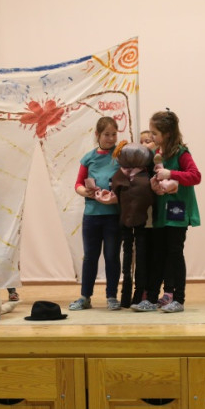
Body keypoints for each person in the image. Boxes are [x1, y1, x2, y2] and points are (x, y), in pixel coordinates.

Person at [139, 110, 201, 313]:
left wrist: (171, 173)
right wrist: (154, 184)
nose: (151, 137)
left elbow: (195, 176)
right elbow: (158, 179)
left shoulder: (182, 153)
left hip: (177, 211)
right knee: (158, 253)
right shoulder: (157, 154)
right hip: (162, 211)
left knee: (175, 253)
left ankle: (179, 299)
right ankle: (151, 298)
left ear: (166, 134)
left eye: (154, 133)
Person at [69, 116, 122, 311]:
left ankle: (111, 297)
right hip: (92, 215)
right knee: (90, 256)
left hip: (113, 215)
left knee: (112, 256)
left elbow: (129, 181)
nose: (111, 138)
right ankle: (85, 297)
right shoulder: (88, 158)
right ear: (97, 135)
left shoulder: (121, 156)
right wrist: (86, 192)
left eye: (114, 134)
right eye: (107, 134)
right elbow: (78, 183)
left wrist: (117, 196)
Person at [110, 142, 155, 308]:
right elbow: (115, 189)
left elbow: (150, 196)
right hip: (125, 221)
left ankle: (138, 293)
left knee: (140, 257)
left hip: (141, 221)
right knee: (127, 256)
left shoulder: (145, 176)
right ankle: (125, 294)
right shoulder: (121, 175)